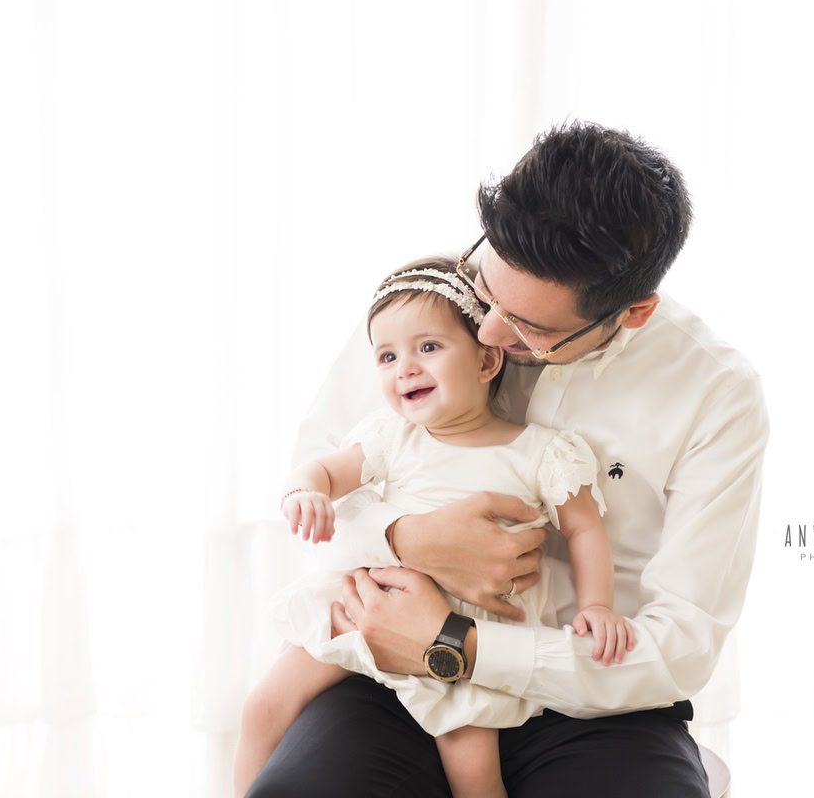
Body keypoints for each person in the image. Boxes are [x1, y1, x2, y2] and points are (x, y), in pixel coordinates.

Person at [246, 121, 770, 797]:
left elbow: (682, 644)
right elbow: (314, 487)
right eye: (488, 289)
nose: (487, 331)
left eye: (531, 329)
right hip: (388, 672)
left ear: (634, 311)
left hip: (593, 699)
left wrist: (460, 644)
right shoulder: (427, 305)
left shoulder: (715, 393)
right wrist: (405, 540)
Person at [233, 258, 636, 798]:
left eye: (428, 348)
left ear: (488, 359)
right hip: (365, 609)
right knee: (263, 705)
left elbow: (586, 532)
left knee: (475, 778)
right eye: (387, 356)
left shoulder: (540, 452)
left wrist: (598, 607)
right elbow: (326, 469)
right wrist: (305, 489)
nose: (405, 368)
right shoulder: (392, 437)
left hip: (465, 644)